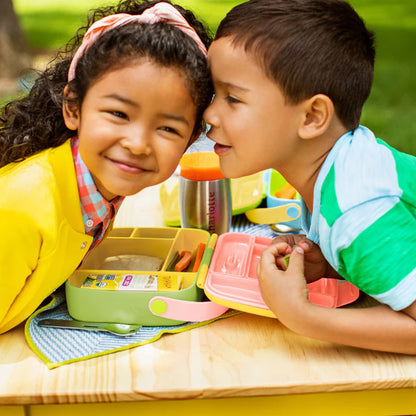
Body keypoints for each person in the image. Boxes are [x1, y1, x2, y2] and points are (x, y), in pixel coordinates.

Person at [203, 0, 416, 354]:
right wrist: (334, 264)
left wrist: (300, 315)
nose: (210, 113)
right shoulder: (345, 165)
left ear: (312, 117)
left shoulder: (356, 213)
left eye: (233, 98)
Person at [0, 0, 213, 334]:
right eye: (118, 114)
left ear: (191, 139)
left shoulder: (99, 188)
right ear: (72, 107)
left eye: (168, 128)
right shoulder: (21, 209)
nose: (137, 144)